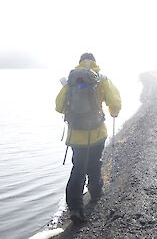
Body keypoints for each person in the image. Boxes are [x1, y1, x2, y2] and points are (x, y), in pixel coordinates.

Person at [55, 53, 121, 223]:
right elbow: (115, 101)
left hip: (76, 136)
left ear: (79, 63)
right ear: (95, 62)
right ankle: (96, 193)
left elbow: (58, 107)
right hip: (97, 133)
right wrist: (114, 112)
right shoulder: (101, 79)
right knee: (94, 163)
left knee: (78, 169)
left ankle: (75, 207)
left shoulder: (71, 80)